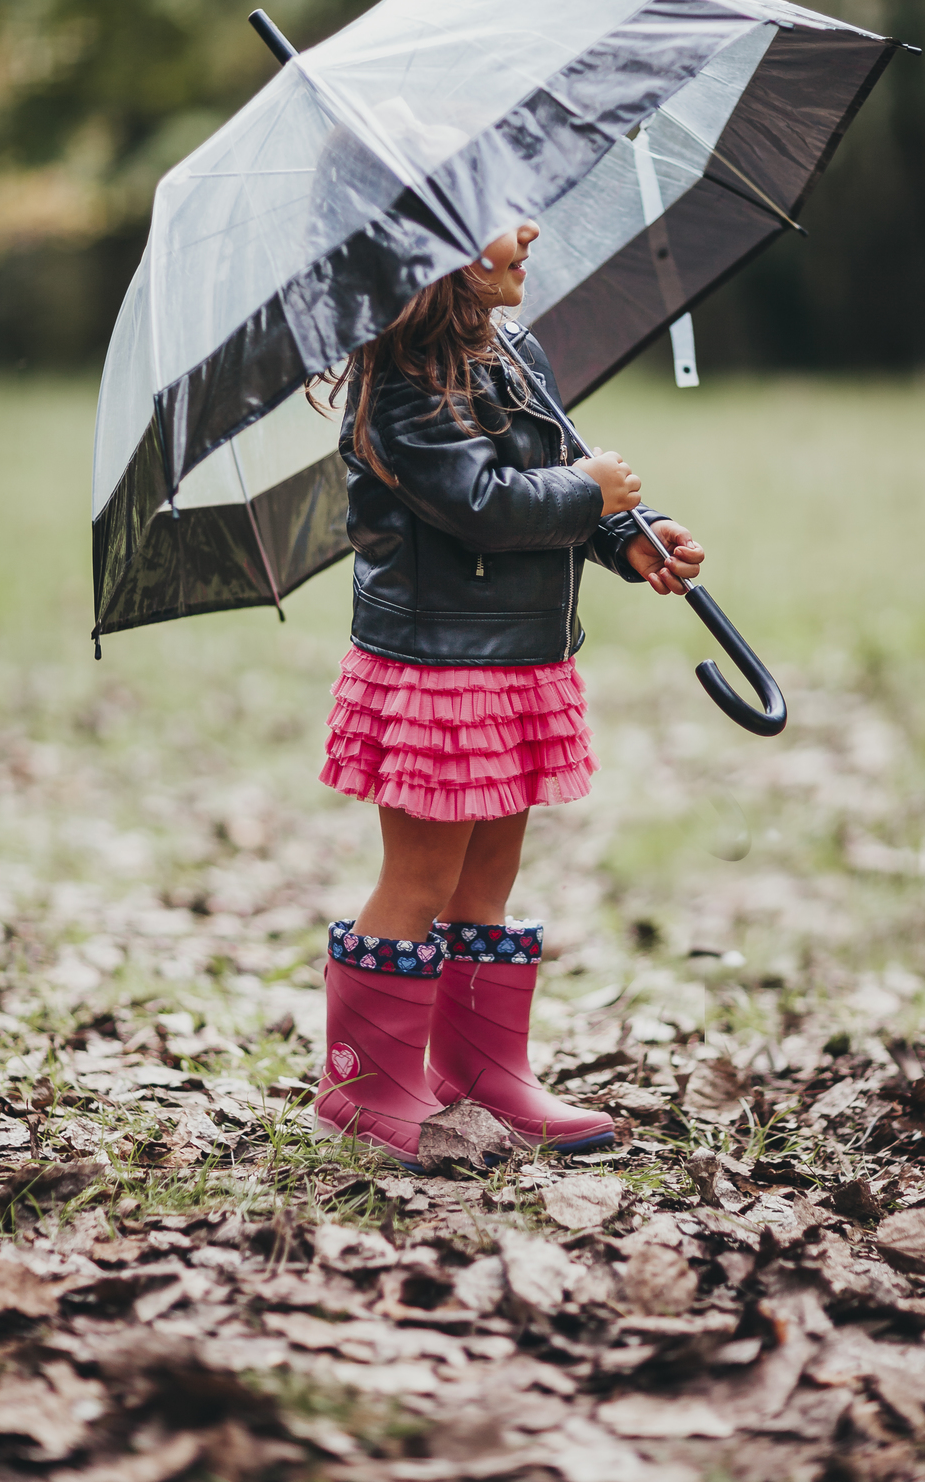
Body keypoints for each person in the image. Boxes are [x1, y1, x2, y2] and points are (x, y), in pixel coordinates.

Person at [314, 218, 703, 1165]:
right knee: (423, 880)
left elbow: (550, 476)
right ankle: (363, 1086)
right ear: (427, 245)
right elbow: (483, 506)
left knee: (487, 881)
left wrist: (628, 534)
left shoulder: (511, 349)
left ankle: (482, 1069)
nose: (528, 228)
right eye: (495, 213)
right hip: (441, 670)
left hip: (519, 659)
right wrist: (590, 492)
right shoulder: (401, 380)